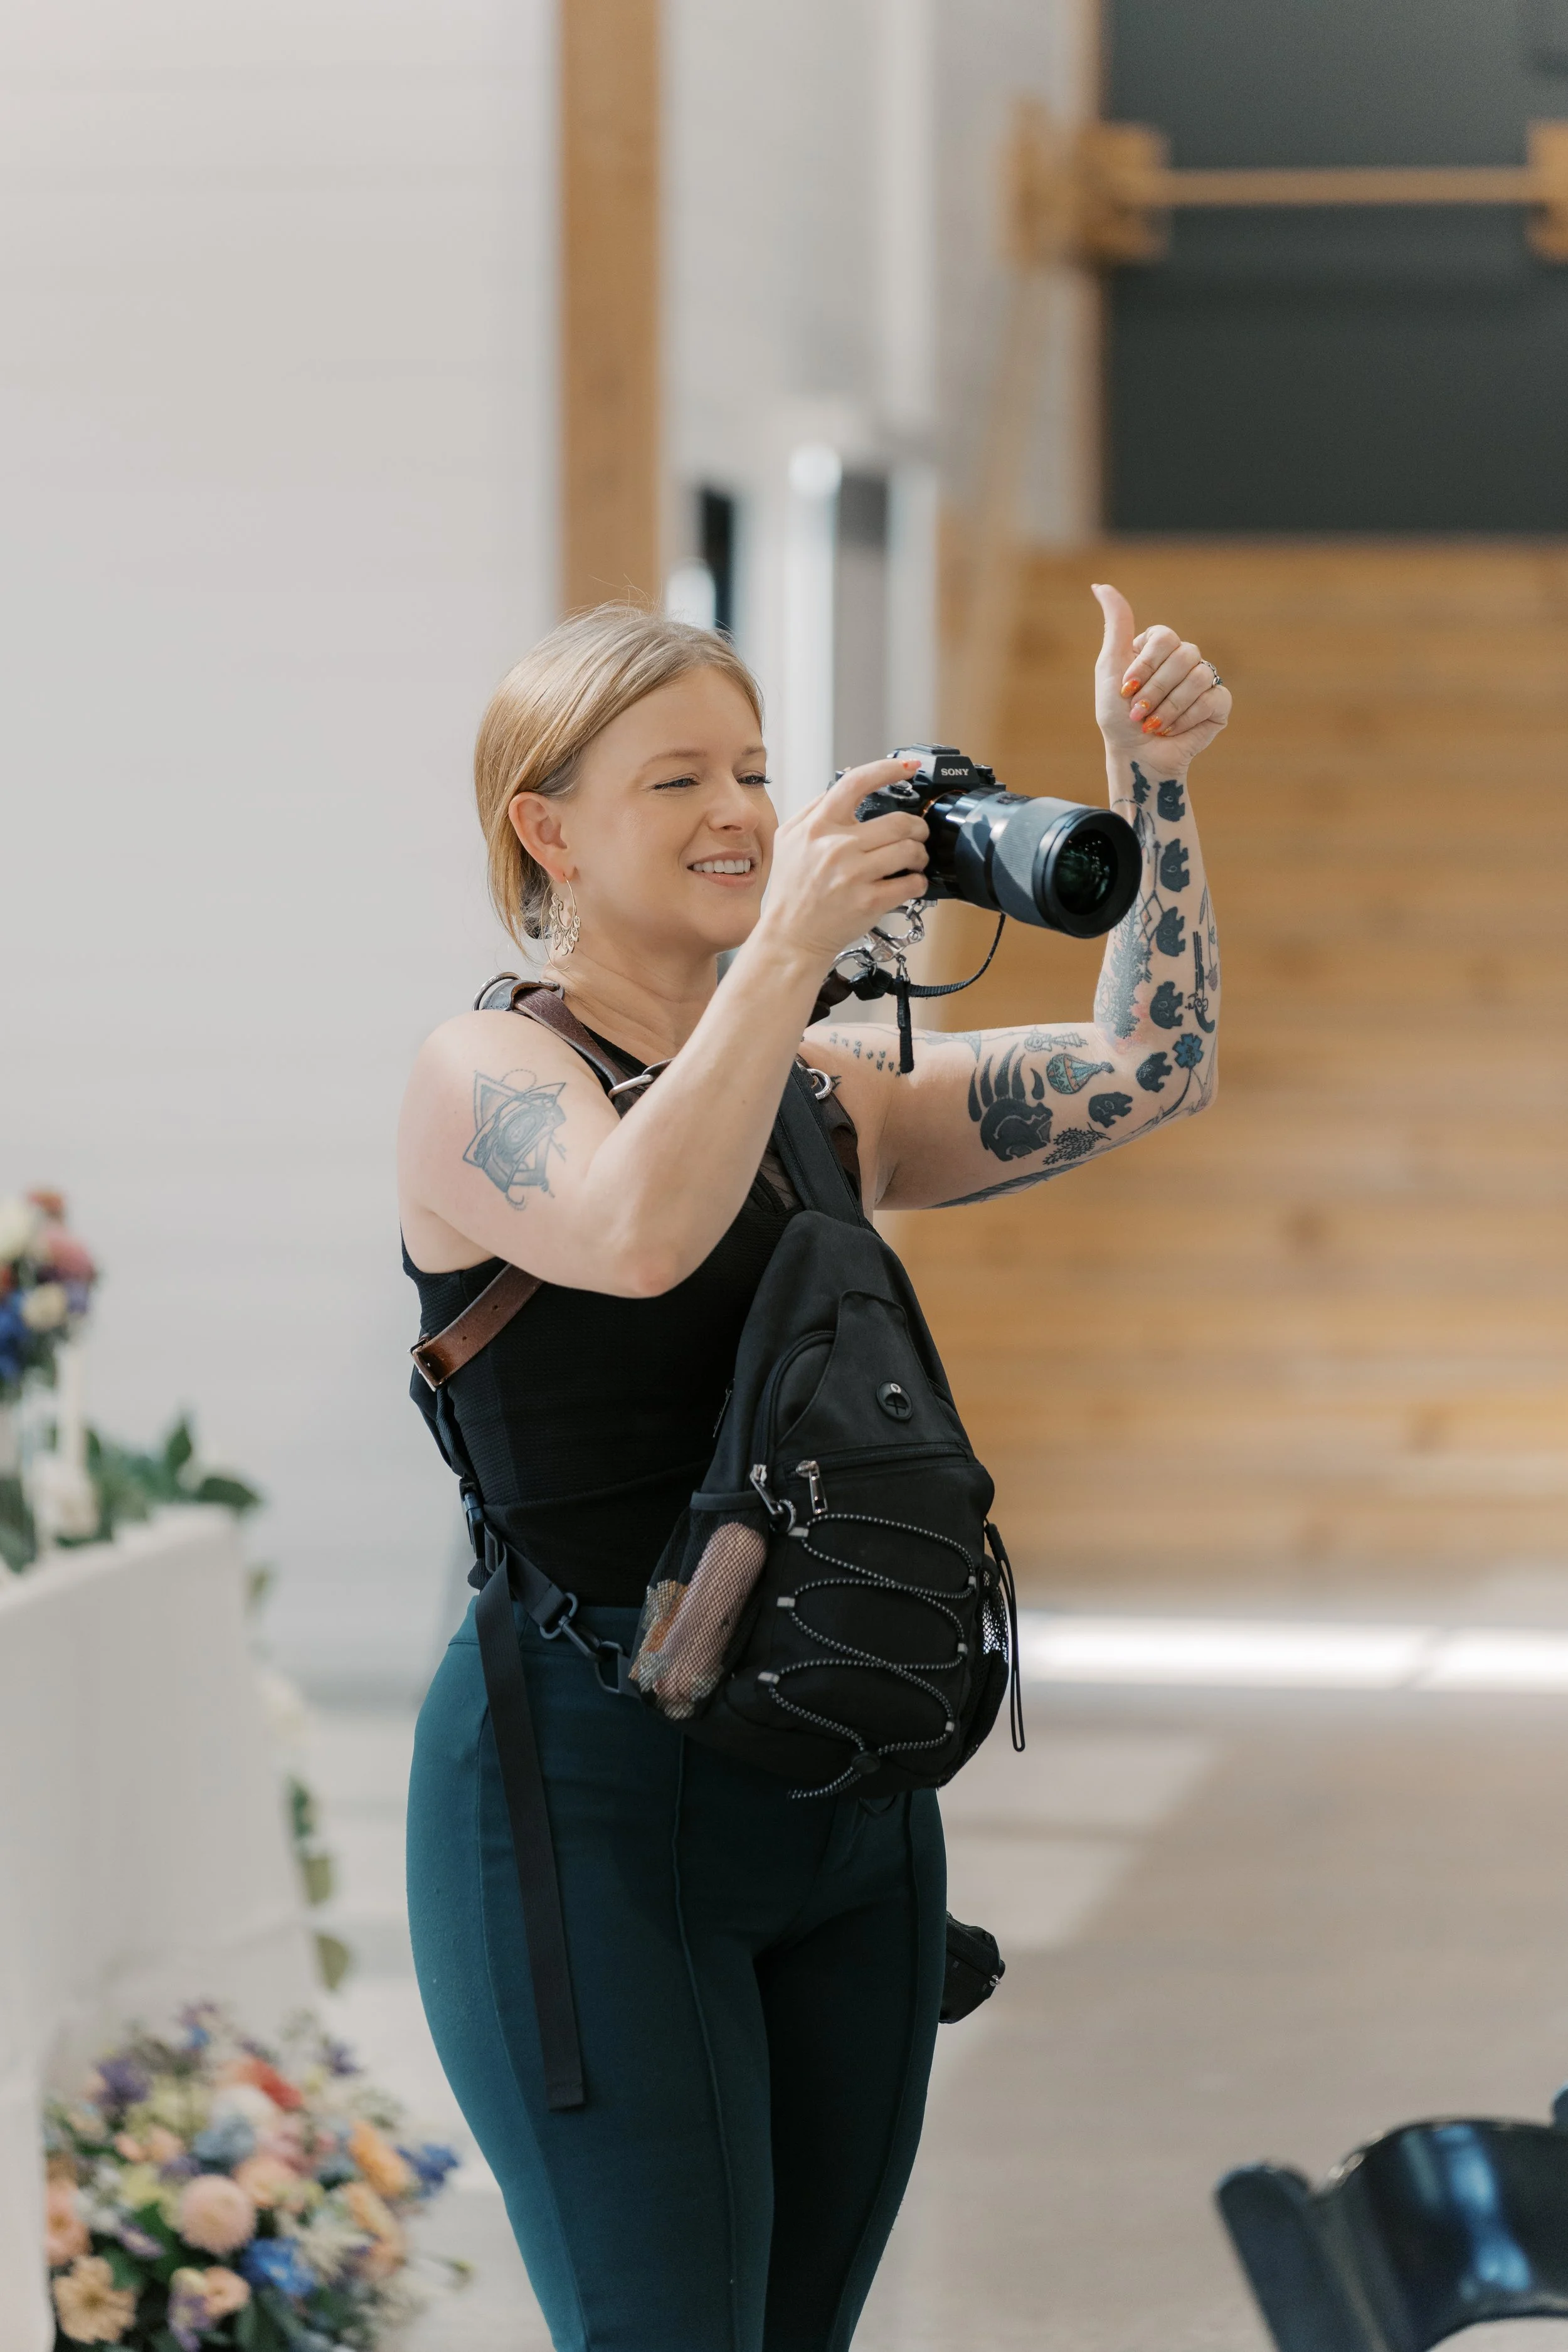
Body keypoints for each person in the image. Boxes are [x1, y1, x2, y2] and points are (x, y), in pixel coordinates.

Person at [398, 585, 1228, 2352]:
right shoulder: (486, 1076)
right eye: (677, 778)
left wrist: (1147, 788)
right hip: (589, 1799)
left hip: (845, 1785)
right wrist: (784, 954)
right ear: (548, 829)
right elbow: (633, 1231)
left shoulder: (829, 1092)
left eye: (755, 770)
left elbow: (1149, 1066)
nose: (739, 812)